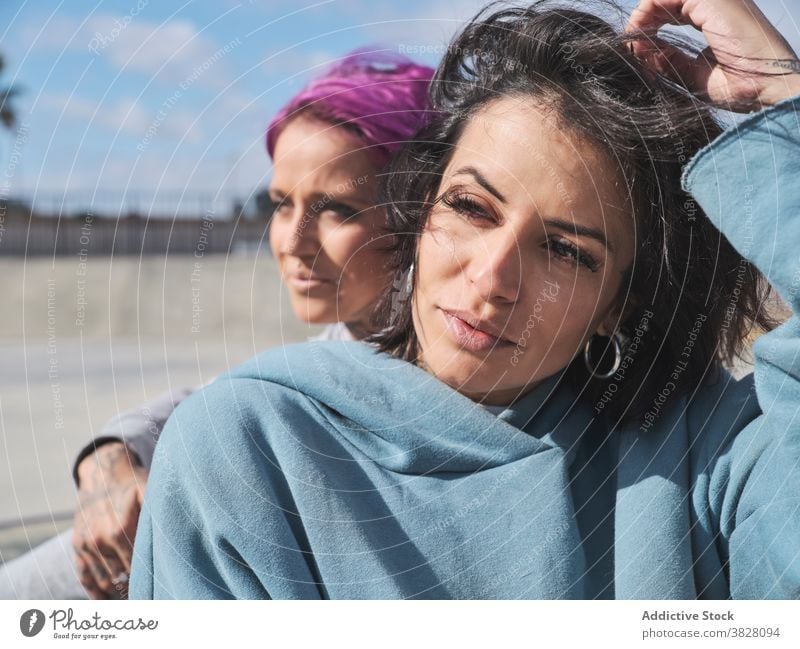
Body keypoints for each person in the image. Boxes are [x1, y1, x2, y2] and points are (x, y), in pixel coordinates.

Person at [130, 0, 800, 599]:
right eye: (471, 207)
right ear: (422, 212)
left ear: (619, 302)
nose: (492, 279)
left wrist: (784, 96)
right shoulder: (250, 451)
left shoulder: (706, 462)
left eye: (567, 250)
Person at [0, 49, 434, 600]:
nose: (292, 242)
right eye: (280, 203)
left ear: (420, 215)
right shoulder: (334, 351)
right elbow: (223, 401)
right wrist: (109, 458)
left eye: (337, 209)